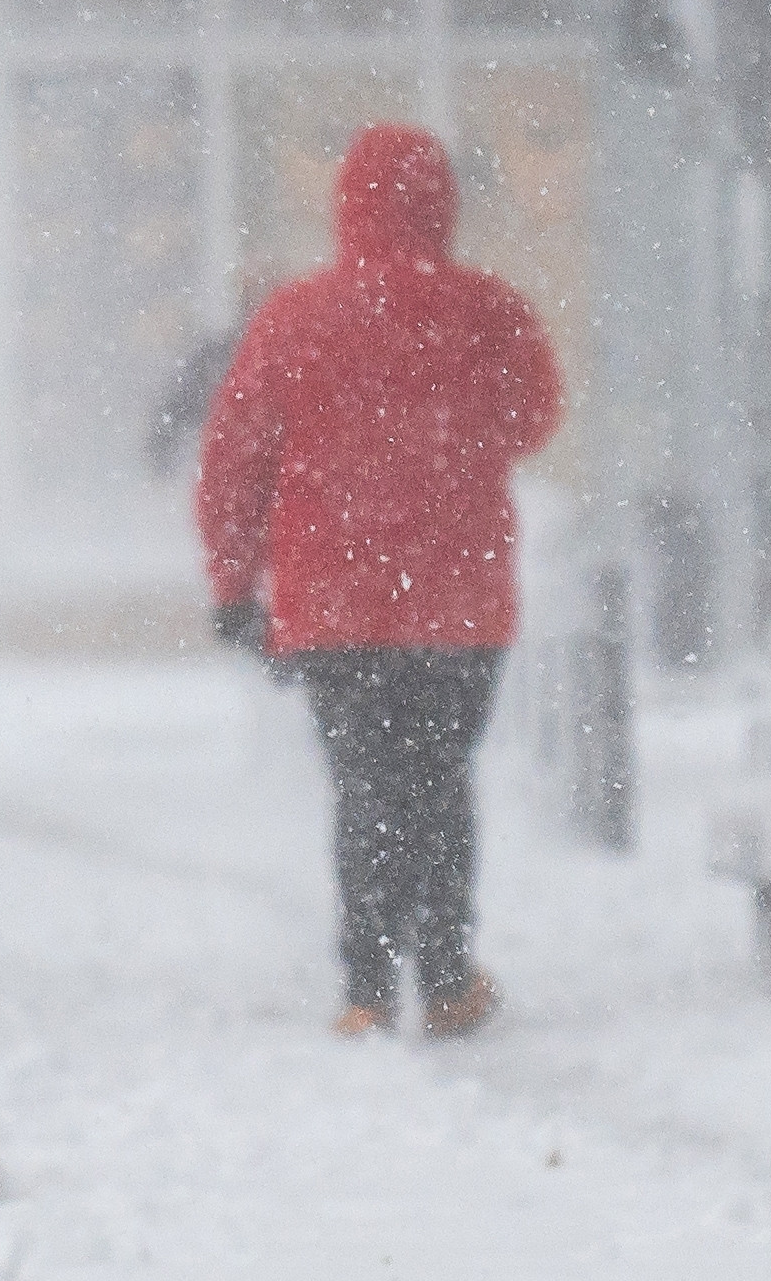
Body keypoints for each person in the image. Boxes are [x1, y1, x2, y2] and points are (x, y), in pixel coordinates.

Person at [195, 122, 565, 1037]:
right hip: (457, 601)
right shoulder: (488, 310)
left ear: (345, 206)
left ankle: (365, 987)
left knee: (364, 784)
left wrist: (234, 584)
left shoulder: (294, 318)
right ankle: (445, 975)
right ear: (445, 204)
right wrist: (444, 434)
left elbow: (235, 458)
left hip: (336, 603)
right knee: (440, 780)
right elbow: (532, 418)